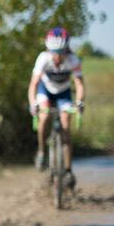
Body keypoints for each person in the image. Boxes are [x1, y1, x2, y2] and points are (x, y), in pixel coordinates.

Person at [27, 27, 85, 188]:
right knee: (44, 117)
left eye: (61, 51)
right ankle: (41, 152)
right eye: (54, 52)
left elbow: (79, 84)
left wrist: (80, 102)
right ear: (48, 49)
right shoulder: (43, 58)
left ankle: (68, 170)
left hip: (63, 92)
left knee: (66, 125)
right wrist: (33, 104)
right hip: (45, 90)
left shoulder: (73, 60)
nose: (58, 56)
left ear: (66, 49)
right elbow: (33, 84)